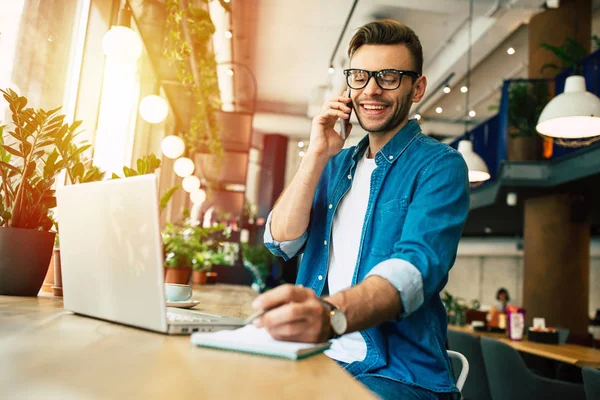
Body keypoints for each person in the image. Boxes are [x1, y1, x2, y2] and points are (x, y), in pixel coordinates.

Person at [255, 19, 469, 399]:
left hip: (397, 374)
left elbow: (415, 267)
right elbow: (280, 240)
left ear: (417, 87)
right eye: (360, 76)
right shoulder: (334, 165)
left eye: (389, 76)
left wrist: (330, 316)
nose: (371, 89)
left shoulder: (439, 165)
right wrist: (316, 154)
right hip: (316, 355)